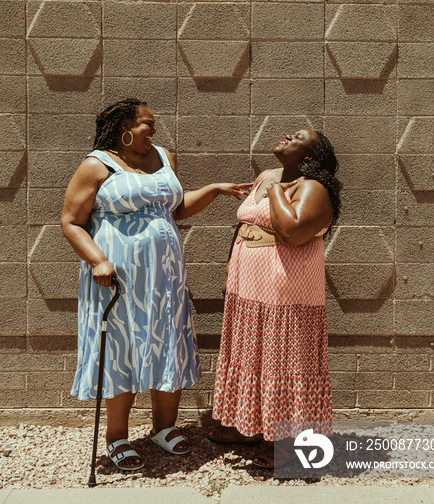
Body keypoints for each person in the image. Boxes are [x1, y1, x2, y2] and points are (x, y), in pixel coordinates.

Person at [61, 98, 250, 472]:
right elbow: (70, 220)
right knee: (122, 347)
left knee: (168, 342)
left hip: (165, 277)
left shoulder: (163, 156)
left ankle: (164, 428)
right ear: (125, 129)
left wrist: (213, 189)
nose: (154, 130)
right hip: (117, 277)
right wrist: (97, 259)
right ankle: (116, 436)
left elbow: (175, 210)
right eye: (147, 124)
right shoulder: (96, 164)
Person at [209, 129, 341, 469]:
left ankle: (287, 440)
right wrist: (229, 269)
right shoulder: (267, 175)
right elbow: (242, 225)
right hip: (249, 283)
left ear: (309, 158)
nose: (286, 135)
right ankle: (252, 426)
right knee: (253, 354)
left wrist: (276, 194)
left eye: (297, 137)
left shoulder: (313, 188)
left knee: (283, 357)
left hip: (284, 287)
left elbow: (294, 230)